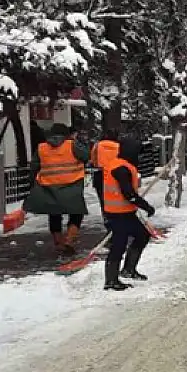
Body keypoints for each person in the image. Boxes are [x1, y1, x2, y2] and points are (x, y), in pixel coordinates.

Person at [23, 123, 89, 256]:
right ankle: (69, 241)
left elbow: (34, 168)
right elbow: (86, 156)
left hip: (49, 187)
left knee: (54, 214)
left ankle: (58, 243)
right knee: (76, 213)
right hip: (72, 186)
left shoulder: (42, 148)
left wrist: (33, 185)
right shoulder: (72, 145)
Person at [101, 136, 156, 291]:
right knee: (118, 246)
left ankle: (128, 270)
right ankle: (111, 280)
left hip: (126, 213)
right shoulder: (120, 168)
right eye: (138, 153)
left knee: (143, 235)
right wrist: (146, 206)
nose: (139, 156)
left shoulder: (123, 165)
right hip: (117, 215)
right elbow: (128, 194)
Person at [90, 129, 120, 213]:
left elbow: (92, 160)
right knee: (115, 197)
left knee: (102, 198)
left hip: (100, 173)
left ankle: (106, 215)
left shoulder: (97, 145)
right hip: (115, 173)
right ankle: (116, 213)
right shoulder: (119, 146)